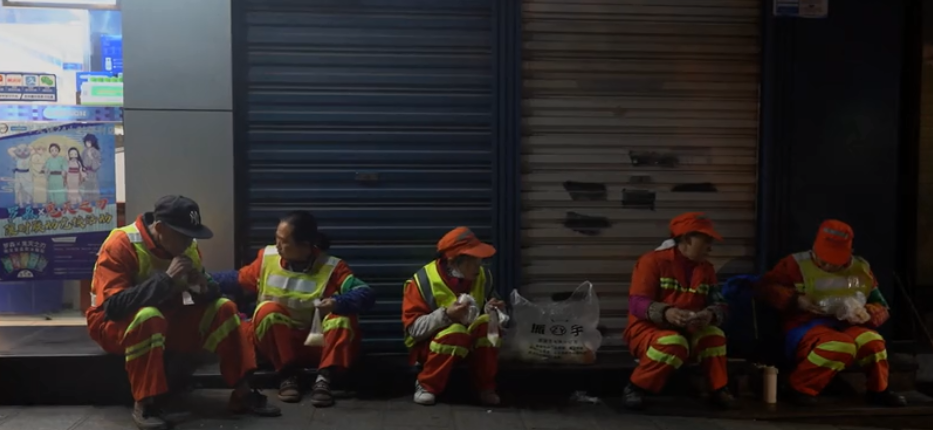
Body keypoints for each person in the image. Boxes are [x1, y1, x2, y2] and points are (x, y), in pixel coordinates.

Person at [86, 195, 281, 430]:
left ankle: (243, 393)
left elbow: (211, 290)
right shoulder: (121, 243)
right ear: (160, 228)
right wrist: (167, 279)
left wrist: (203, 288)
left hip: (168, 318)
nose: (189, 243)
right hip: (112, 325)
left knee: (225, 308)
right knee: (148, 316)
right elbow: (115, 307)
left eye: (192, 236)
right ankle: (145, 404)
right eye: (183, 236)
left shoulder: (188, 247)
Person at [756, 220, 907, 407]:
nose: (827, 265)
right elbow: (765, 289)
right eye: (822, 259)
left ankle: (878, 390)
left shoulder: (862, 270)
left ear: (849, 253)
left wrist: (868, 313)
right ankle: (798, 387)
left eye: (834, 261)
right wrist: (795, 300)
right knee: (839, 345)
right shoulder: (794, 264)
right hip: (805, 325)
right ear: (814, 248)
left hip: (848, 325)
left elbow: (881, 305)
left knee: (873, 342)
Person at [237, 210, 375, 407]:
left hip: (316, 346)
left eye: (284, 241)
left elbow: (366, 294)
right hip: (279, 347)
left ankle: (324, 379)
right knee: (267, 311)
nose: (277, 245)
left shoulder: (332, 268)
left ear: (304, 245)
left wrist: (337, 302)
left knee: (343, 318)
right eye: (277, 239)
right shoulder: (267, 258)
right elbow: (237, 280)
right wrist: (205, 280)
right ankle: (287, 376)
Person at [622, 212, 735, 410]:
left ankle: (718, 389)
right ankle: (636, 388)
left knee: (714, 336)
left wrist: (710, 315)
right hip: (648, 331)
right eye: (706, 240)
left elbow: (720, 304)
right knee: (673, 342)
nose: (710, 247)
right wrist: (666, 313)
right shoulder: (652, 261)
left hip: (689, 330)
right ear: (687, 239)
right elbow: (637, 303)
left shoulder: (706, 269)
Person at [402, 227, 504, 406]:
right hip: (430, 349)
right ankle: (427, 386)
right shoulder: (422, 281)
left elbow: (498, 314)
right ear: (453, 261)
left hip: (469, 345)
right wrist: (446, 315)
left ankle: (485, 387)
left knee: (489, 325)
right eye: (473, 260)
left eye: (480, 259)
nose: (479, 265)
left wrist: (497, 311)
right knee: (455, 332)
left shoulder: (483, 276)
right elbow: (414, 331)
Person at [8, 143, 33, 208]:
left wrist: (26, 148)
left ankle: (28, 200)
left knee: (29, 188)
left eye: (25, 150)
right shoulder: (17, 158)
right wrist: (17, 149)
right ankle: (20, 203)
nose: (22, 153)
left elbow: (32, 150)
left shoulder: (29, 157)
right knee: (18, 189)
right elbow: (9, 150)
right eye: (20, 151)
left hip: (27, 174)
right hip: (18, 174)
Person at [80, 133, 102, 203]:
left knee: (93, 187)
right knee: (86, 188)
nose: (88, 143)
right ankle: (86, 202)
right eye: (86, 142)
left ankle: (95, 202)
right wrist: (82, 170)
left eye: (89, 142)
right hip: (85, 173)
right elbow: (81, 162)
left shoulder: (96, 151)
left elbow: (97, 165)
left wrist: (91, 157)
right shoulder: (84, 151)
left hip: (92, 173)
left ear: (93, 142)